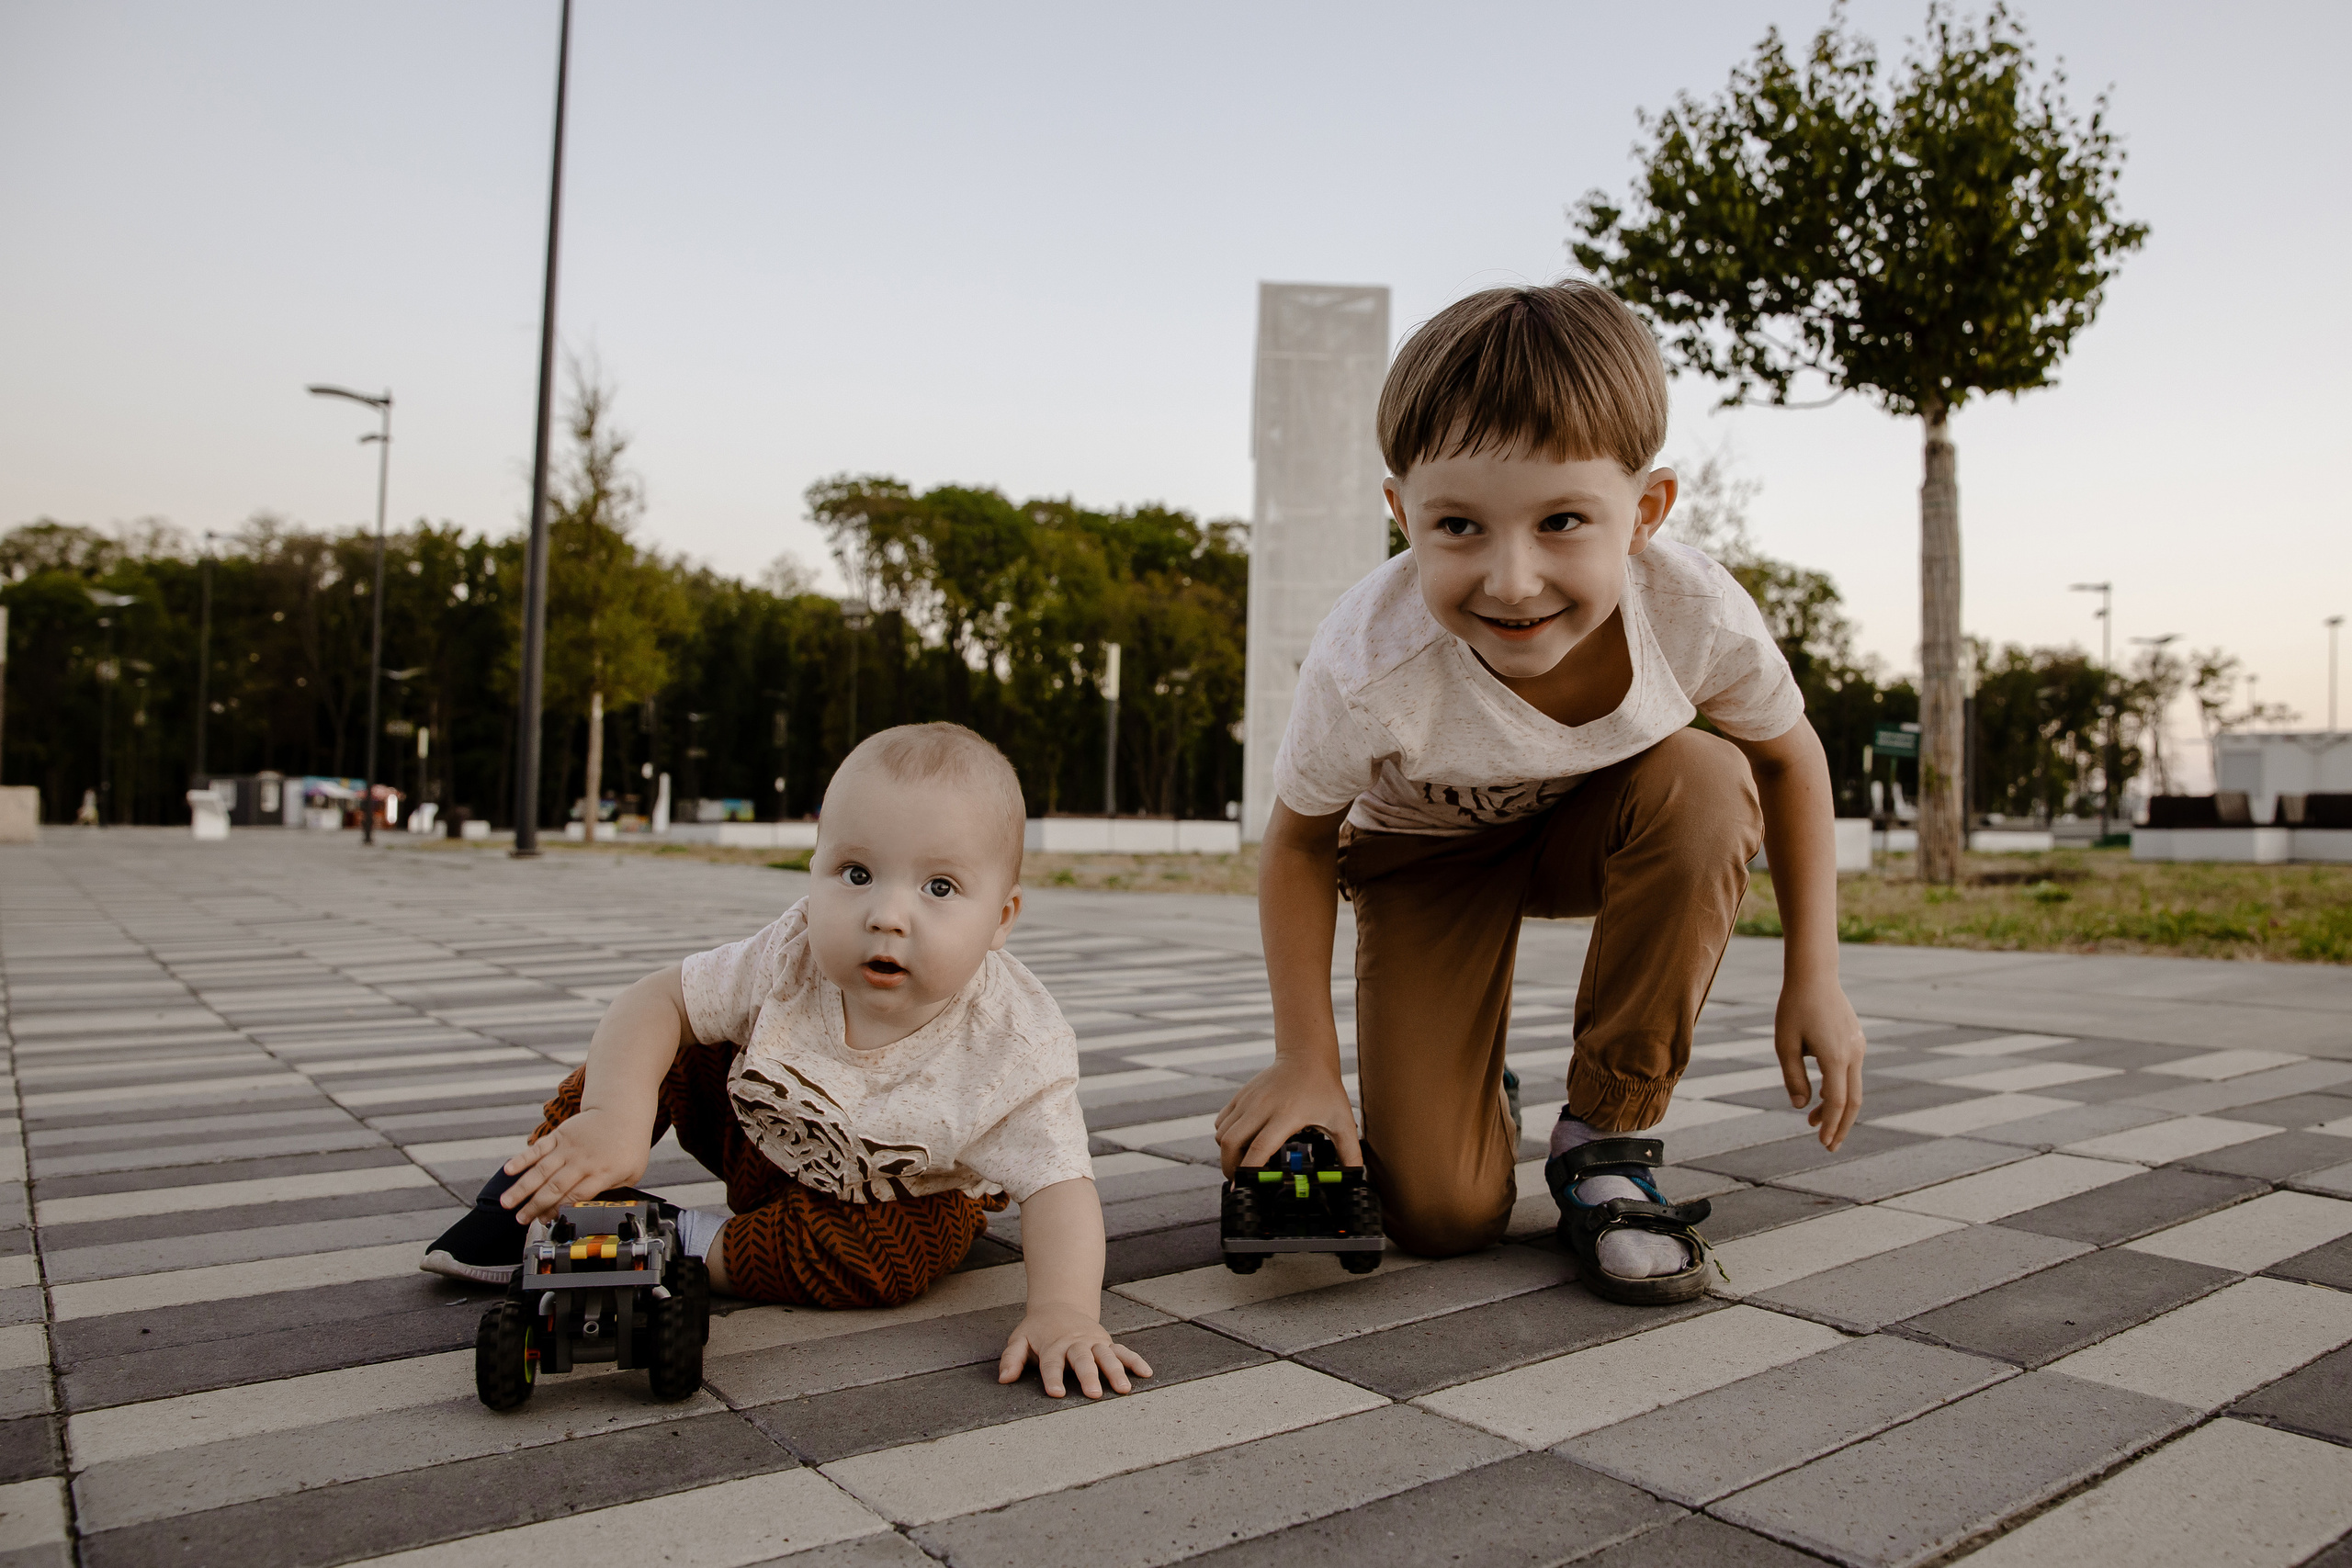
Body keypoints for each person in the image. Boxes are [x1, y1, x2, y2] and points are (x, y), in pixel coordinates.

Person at [1215, 281, 1868, 1304]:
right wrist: (1308, 1061)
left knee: (1708, 777)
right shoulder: (1368, 661)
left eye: (1562, 520)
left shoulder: (1691, 612)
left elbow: (1792, 759)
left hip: (1591, 830)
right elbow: (1298, 841)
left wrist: (1814, 975)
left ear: (1645, 511)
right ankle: (1473, 1092)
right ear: (1402, 514)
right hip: (1426, 859)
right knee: (1442, 1217)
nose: (1512, 580)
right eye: (1458, 526)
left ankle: (1602, 1139)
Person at [423, 722, 1152, 1399]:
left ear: (1001, 918)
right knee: (659, 1047)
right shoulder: (789, 953)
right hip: (758, 1127)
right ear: (813, 871)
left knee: (894, 1255)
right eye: (856, 873)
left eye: (939, 887)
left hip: (885, 1197)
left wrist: (1064, 1310)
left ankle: (686, 1239)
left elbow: (1060, 1186)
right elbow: (658, 998)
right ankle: (537, 1190)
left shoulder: (1013, 1043)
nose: (887, 914)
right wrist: (615, 1116)